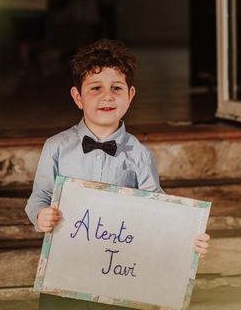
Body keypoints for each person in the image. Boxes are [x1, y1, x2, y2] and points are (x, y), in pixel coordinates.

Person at [25, 39, 211, 309]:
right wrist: (41, 216)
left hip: (119, 275)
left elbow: (158, 210)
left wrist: (188, 238)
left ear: (130, 95)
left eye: (116, 88)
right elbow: (38, 197)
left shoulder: (140, 154)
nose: (107, 96)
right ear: (78, 97)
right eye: (95, 88)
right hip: (68, 270)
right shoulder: (56, 147)